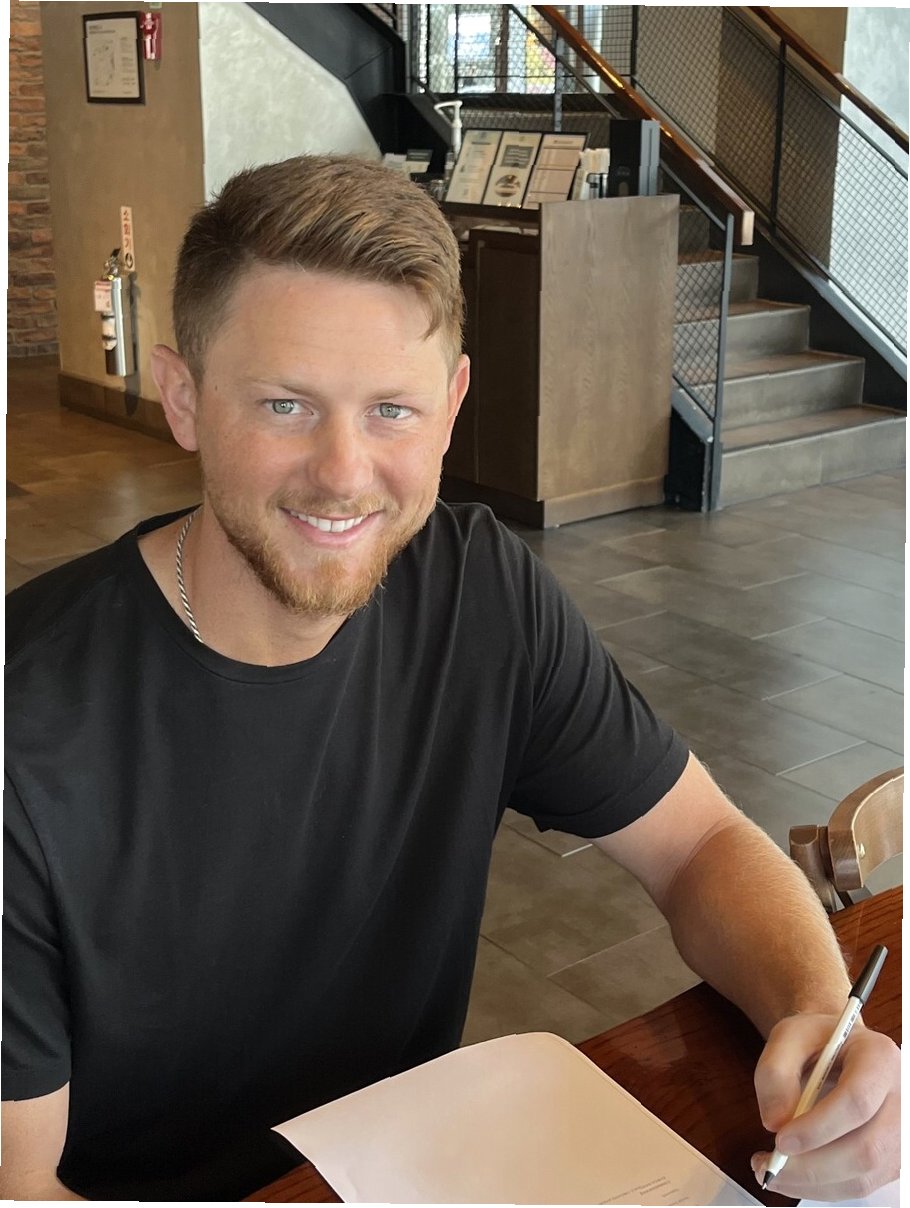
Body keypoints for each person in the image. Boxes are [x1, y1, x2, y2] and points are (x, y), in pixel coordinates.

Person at [2, 155, 898, 1203]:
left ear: (453, 403)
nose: (344, 472)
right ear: (185, 398)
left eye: (392, 409)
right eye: (285, 404)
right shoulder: (28, 726)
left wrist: (819, 1019)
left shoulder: (481, 592)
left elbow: (698, 842)